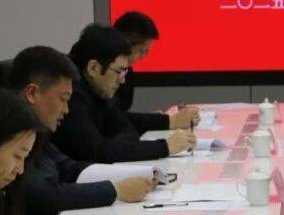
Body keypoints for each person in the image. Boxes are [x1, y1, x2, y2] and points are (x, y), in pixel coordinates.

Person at [8, 46, 154, 215]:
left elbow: (68, 168)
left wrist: (135, 174)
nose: (66, 110)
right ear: (32, 93)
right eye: (63, 99)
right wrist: (116, 190)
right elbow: (45, 194)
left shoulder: (38, 131)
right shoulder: (7, 135)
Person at [53, 24, 194, 163]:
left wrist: (119, 146)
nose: (122, 80)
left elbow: (126, 130)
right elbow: (97, 152)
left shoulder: (98, 89)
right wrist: (165, 147)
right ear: (94, 68)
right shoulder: (70, 95)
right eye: (119, 72)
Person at [111, 11, 198, 132]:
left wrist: (153, 120)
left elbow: (121, 117)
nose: (143, 57)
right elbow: (112, 120)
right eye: (142, 51)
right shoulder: (107, 73)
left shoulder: (127, 71)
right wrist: (166, 122)